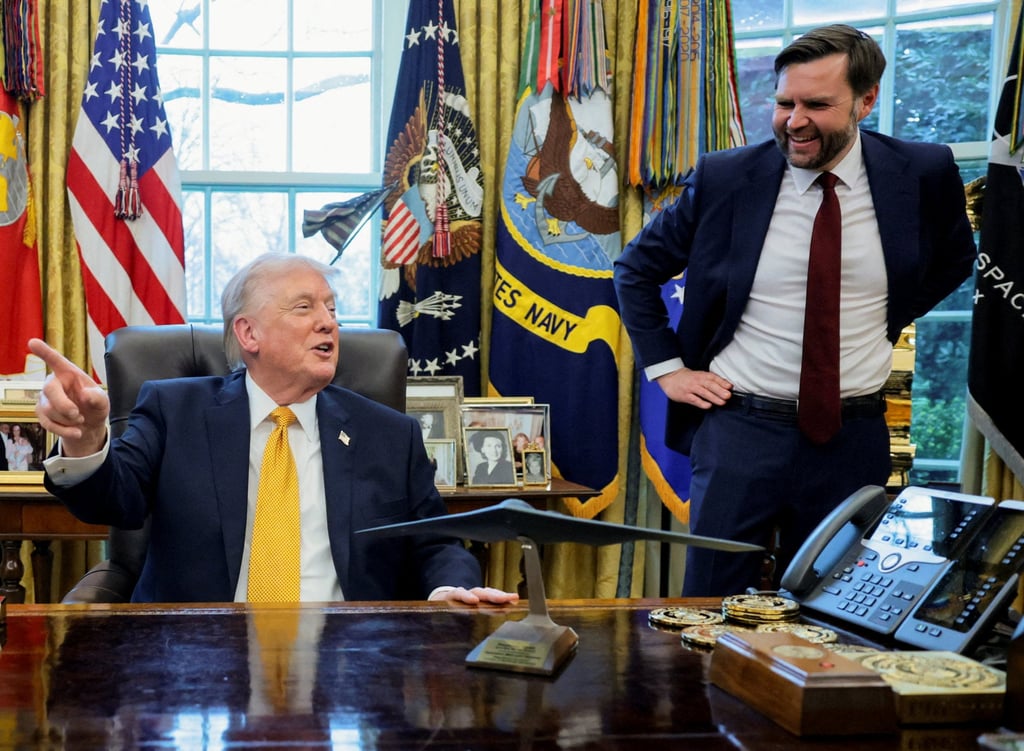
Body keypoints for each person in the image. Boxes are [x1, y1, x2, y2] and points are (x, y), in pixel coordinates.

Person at [613, 25, 976, 597]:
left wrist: (885, 319)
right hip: (740, 433)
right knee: (710, 607)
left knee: (835, 610)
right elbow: (635, 269)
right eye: (784, 102)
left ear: (866, 100)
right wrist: (668, 369)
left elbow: (956, 259)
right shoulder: (726, 177)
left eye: (817, 105)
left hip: (851, 438)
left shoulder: (924, 173)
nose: (794, 120)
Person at [31, 253, 519, 607]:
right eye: (305, 308)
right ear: (249, 334)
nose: (329, 322)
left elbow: (434, 544)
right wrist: (87, 438)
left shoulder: (389, 435)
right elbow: (115, 500)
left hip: (349, 658)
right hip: (196, 653)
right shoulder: (174, 410)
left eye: (331, 308)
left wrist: (447, 588)